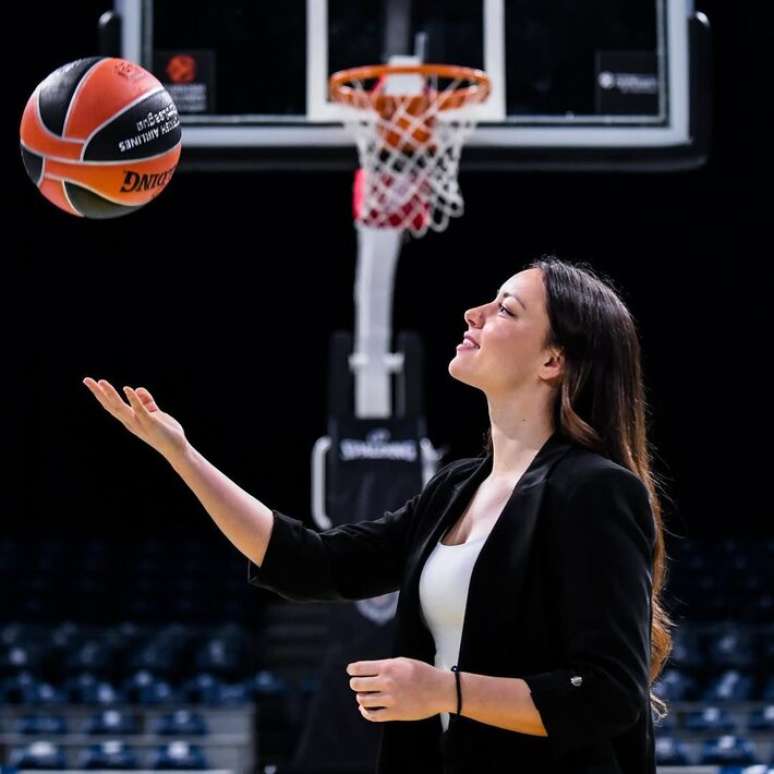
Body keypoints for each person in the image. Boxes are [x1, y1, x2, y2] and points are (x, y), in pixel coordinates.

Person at [83, 254, 674, 774]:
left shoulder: (596, 491)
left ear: (552, 360)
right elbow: (312, 564)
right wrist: (182, 456)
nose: (473, 314)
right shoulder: (454, 488)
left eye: (505, 309)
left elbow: (608, 693)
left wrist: (445, 691)